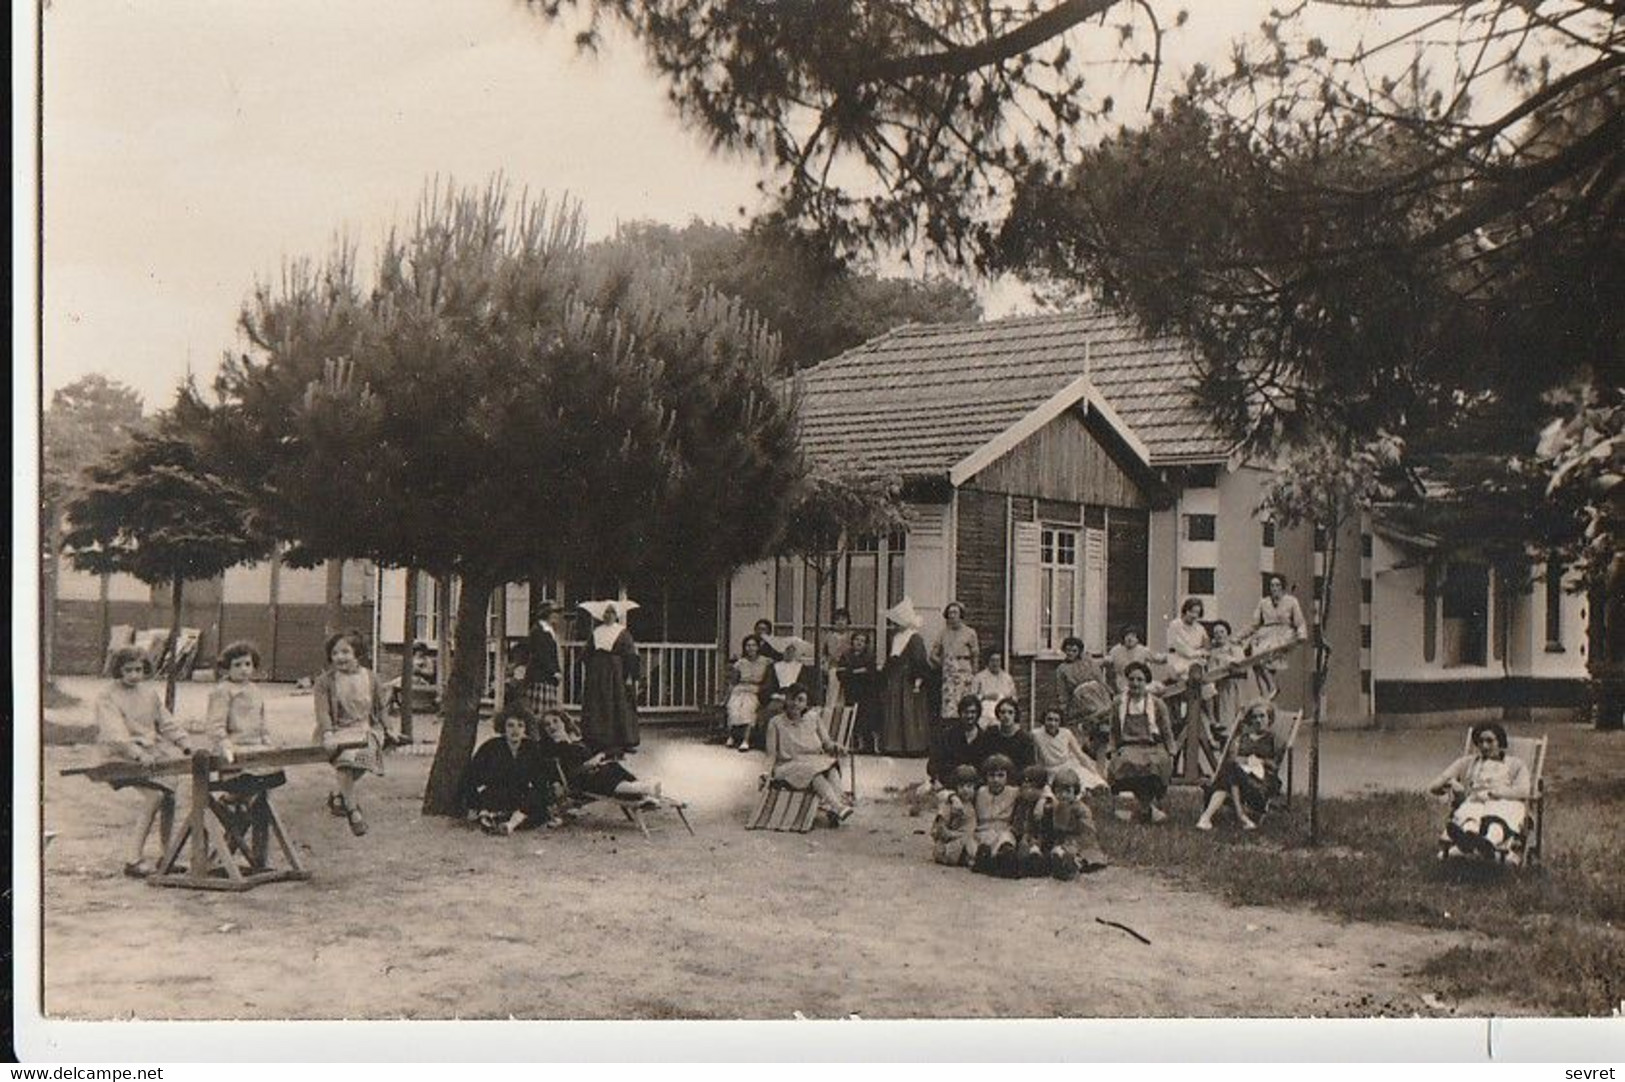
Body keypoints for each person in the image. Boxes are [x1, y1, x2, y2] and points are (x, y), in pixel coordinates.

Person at [96, 645, 194, 877]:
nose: (133, 675)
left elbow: (166, 722)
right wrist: (137, 753)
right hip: (119, 756)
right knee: (154, 796)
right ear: (118, 669)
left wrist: (184, 743)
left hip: (150, 753)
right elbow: (115, 733)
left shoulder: (149, 693)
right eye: (128, 670)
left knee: (170, 794)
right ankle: (133, 859)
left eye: (138, 669)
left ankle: (166, 855)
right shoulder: (107, 696)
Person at [312, 629, 393, 837]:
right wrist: (328, 733)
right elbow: (322, 711)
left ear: (357, 653)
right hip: (337, 730)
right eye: (335, 653)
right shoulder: (325, 681)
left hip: (365, 728)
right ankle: (353, 810)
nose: (340, 657)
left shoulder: (371, 678)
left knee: (364, 759)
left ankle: (340, 795)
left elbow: (381, 707)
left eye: (345, 652)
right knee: (346, 760)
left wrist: (389, 728)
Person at [1428, 722, 1534, 865]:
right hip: (1476, 802)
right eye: (1480, 741)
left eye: (1490, 741)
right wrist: (1450, 782)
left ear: (1500, 742)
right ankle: (1467, 841)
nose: (1484, 746)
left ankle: (1488, 843)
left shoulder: (1515, 764)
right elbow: (1434, 786)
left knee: (1499, 815)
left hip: (1505, 801)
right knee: (1469, 814)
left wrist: (1494, 794)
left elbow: (1523, 790)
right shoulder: (1467, 762)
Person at [459, 703, 557, 835]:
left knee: (536, 803)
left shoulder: (532, 749)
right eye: (510, 725)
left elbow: (540, 779)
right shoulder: (491, 747)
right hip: (496, 795)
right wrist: (473, 804)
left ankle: (509, 825)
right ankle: (489, 818)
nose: (515, 730)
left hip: (521, 797)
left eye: (520, 725)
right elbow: (471, 777)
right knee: (487, 801)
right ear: (503, 727)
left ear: (526, 729)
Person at [762, 685, 853, 824]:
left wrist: (837, 747)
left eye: (801, 700)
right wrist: (765, 773)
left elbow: (827, 743)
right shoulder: (776, 723)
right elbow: (771, 755)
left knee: (831, 768)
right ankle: (838, 806)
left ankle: (835, 806)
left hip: (813, 761)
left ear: (806, 703)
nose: (796, 704)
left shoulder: (813, 718)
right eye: (792, 699)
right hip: (788, 766)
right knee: (814, 772)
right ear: (786, 700)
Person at [538, 710, 664, 804]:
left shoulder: (580, 741)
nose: (552, 726)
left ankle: (642, 792)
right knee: (605, 773)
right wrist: (589, 764)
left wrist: (600, 755)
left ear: (564, 722)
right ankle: (644, 790)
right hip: (580, 781)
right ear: (544, 730)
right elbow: (568, 772)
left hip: (597, 771)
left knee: (612, 766)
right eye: (547, 725)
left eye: (555, 721)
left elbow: (609, 748)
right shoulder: (552, 748)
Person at [1197, 699, 1281, 831]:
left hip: (1260, 783)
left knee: (1230, 770)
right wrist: (1242, 759)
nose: (1258, 720)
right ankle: (1235, 817)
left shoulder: (1274, 739)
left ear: (1269, 718)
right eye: (1254, 717)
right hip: (1240, 778)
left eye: (1262, 716)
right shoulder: (1242, 738)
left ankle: (1210, 817)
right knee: (1231, 768)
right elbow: (1233, 758)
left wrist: (1262, 761)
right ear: (1250, 720)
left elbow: (1275, 765)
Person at [1108, 661, 1176, 824]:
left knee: (1155, 765)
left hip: (1152, 746)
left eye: (1140, 680)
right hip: (1129, 746)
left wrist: (1171, 751)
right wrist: (1112, 749)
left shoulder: (1157, 704)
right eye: (1131, 679)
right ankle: (1147, 810)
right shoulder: (1119, 703)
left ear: (1146, 682)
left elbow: (1166, 730)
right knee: (1126, 763)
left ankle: (1142, 810)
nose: (1135, 683)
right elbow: (1114, 730)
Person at [579, 600, 640, 756]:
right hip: (597, 672)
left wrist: (630, 676)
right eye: (606, 612)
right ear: (602, 615)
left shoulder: (622, 632)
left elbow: (631, 655)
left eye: (612, 612)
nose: (609, 615)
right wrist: (591, 664)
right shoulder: (596, 631)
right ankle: (597, 739)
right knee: (597, 703)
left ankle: (622, 740)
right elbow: (587, 652)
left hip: (616, 672)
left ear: (616, 615)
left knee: (616, 703)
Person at [1241, 574, 1308, 699]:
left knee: (1263, 655)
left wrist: (1301, 635)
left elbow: (1299, 621)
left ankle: (1272, 686)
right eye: (1272, 585)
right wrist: (1239, 637)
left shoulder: (1291, 601)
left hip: (1283, 634)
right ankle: (1264, 694)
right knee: (1254, 659)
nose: (1274, 588)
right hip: (1266, 633)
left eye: (1277, 585)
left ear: (1282, 586)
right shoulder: (1263, 602)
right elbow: (1254, 624)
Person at [881, 597, 932, 755]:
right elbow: (891, 658)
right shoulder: (896, 638)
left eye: (898, 621)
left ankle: (913, 746)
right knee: (895, 710)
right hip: (895, 678)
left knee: (910, 710)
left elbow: (919, 661)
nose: (896, 625)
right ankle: (894, 745)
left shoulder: (915, 637)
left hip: (909, 679)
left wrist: (918, 680)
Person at [1042, 768, 1109, 879]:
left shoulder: (1081, 809)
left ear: (1075, 791)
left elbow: (1088, 833)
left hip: (1081, 842)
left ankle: (1073, 864)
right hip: (1064, 841)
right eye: (1059, 791)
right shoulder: (1056, 807)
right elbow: (1055, 830)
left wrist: (1071, 845)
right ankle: (1062, 863)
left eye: (1067, 791)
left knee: (1084, 858)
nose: (1063, 795)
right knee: (1054, 854)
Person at [1056, 636, 1113, 754]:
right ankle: (1088, 745)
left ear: (1079, 651)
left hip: (1097, 692)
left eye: (1074, 651)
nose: (1071, 653)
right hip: (1080, 697)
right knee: (1085, 722)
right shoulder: (1062, 668)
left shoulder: (1088, 662)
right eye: (1068, 650)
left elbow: (1099, 678)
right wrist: (1064, 705)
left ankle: (1102, 745)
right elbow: (1062, 689)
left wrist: (1108, 690)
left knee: (1104, 716)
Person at [1031, 707, 1108, 792]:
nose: (1052, 723)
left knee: (1092, 782)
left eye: (1056, 720)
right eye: (1049, 719)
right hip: (1051, 771)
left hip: (1068, 767)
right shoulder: (1036, 735)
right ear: (1044, 720)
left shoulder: (1066, 733)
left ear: (1060, 722)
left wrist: (1095, 773)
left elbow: (1080, 755)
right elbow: (1035, 759)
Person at [1165, 598, 1213, 731]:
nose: (1194, 615)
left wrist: (1202, 652)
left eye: (1197, 613)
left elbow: (1206, 646)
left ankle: (1211, 719)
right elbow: (1179, 646)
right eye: (1191, 611)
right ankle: (1181, 720)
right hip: (1178, 660)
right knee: (1184, 686)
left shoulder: (1200, 628)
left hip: (1194, 662)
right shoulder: (1175, 625)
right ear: (1185, 611)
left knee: (1208, 686)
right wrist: (1197, 653)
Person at [971, 753, 1020, 877]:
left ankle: (1004, 859)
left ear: (1007, 777)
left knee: (1006, 841)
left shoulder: (1014, 792)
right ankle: (988, 861)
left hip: (1003, 830)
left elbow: (1042, 788)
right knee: (979, 846)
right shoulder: (980, 791)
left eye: (1000, 775)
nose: (996, 780)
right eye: (991, 776)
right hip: (982, 831)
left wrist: (1044, 800)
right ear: (986, 777)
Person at [932, 601, 980, 720]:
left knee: (966, 705)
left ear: (961, 615)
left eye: (955, 612)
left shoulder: (970, 632)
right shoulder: (942, 633)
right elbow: (933, 655)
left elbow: (975, 655)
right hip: (949, 675)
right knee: (950, 708)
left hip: (965, 671)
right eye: (949, 613)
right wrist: (943, 664)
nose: (952, 616)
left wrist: (974, 674)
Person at [838, 630, 883, 754]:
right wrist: (857, 671)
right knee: (853, 717)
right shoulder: (846, 655)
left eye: (862, 641)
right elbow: (841, 673)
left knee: (868, 717)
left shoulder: (869, 656)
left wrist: (853, 672)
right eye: (857, 640)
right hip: (851, 691)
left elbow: (871, 673)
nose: (859, 643)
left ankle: (872, 746)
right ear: (852, 641)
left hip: (866, 692)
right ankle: (857, 744)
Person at [928, 694, 987, 785]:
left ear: (978, 714)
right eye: (966, 712)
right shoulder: (948, 735)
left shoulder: (984, 737)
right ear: (960, 713)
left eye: (973, 712)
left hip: (975, 782)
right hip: (951, 780)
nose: (969, 716)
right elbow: (934, 762)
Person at [725, 634, 771, 751]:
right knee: (733, 707)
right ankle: (731, 736)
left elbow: (769, 679)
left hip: (754, 689)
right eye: (748, 646)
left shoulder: (766, 661)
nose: (750, 648)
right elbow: (734, 681)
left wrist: (762, 689)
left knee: (748, 708)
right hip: (740, 689)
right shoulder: (740, 663)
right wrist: (727, 696)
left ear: (757, 647)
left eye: (753, 645)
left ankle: (746, 740)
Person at [759, 636, 820, 725]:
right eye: (787, 649)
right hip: (778, 697)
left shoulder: (803, 668)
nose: (789, 652)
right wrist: (775, 695)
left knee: (798, 712)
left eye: (792, 650)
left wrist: (794, 697)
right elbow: (768, 685)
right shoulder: (773, 667)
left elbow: (806, 687)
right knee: (772, 712)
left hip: (797, 697)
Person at [522, 600, 565, 719]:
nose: (557, 616)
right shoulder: (539, 630)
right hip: (539, 677)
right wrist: (554, 671)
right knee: (538, 713)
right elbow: (541, 655)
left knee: (547, 713)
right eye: (554, 612)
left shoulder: (548, 630)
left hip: (546, 678)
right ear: (546, 613)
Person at [1205, 620, 1248, 739]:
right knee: (1222, 714)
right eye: (1216, 632)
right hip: (1219, 685)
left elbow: (1241, 665)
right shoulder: (1212, 652)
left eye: (1222, 631)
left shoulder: (1235, 648)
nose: (1219, 635)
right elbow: (1210, 670)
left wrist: (1225, 659)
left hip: (1234, 684)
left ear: (1227, 633)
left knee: (1234, 713)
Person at [931, 764, 980, 867]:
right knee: (965, 845)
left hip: (966, 839)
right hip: (953, 842)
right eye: (962, 786)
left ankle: (970, 858)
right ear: (956, 787)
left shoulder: (972, 802)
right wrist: (957, 835)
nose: (966, 790)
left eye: (969, 786)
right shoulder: (951, 804)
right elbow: (940, 829)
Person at [1012, 764, 1055, 878]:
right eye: (1024, 787)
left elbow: (1046, 830)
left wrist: (1043, 799)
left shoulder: (1045, 805)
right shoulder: (1021, 802)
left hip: (1040, 839)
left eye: (1032, 787)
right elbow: (1019, 823)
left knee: (1036, 852)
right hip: (1024, 836)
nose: (1027, 791)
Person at [978, 697, 1037, 778]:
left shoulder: (1025, 739)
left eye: (1010, 712)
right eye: (1003, 712)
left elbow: (1028, 767)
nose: (1006, 716)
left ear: (1015, 715)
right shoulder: (990, 734)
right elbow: (983, 760)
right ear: (998, 714)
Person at [1105, 626, 1165, 695]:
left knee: (1160, 688)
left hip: (1141, 682)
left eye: (1133, 636)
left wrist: (1173, 655)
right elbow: (1106, 661)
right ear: (1123, 637)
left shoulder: (1143, 650)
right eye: (1127, 636)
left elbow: (1159, 659)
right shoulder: (1115, 650)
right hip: (1124, 684)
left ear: (1137, 638)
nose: (1130, 638)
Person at [970, 649, 1017, 725]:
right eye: (993, 660)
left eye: (998, 660)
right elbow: (972, 698)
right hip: (984, 716)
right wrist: (984, 697)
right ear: (988, 662)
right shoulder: (979, 677)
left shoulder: (1007, 678)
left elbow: (1014, 698)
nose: (995, 663)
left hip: (1002, 716)